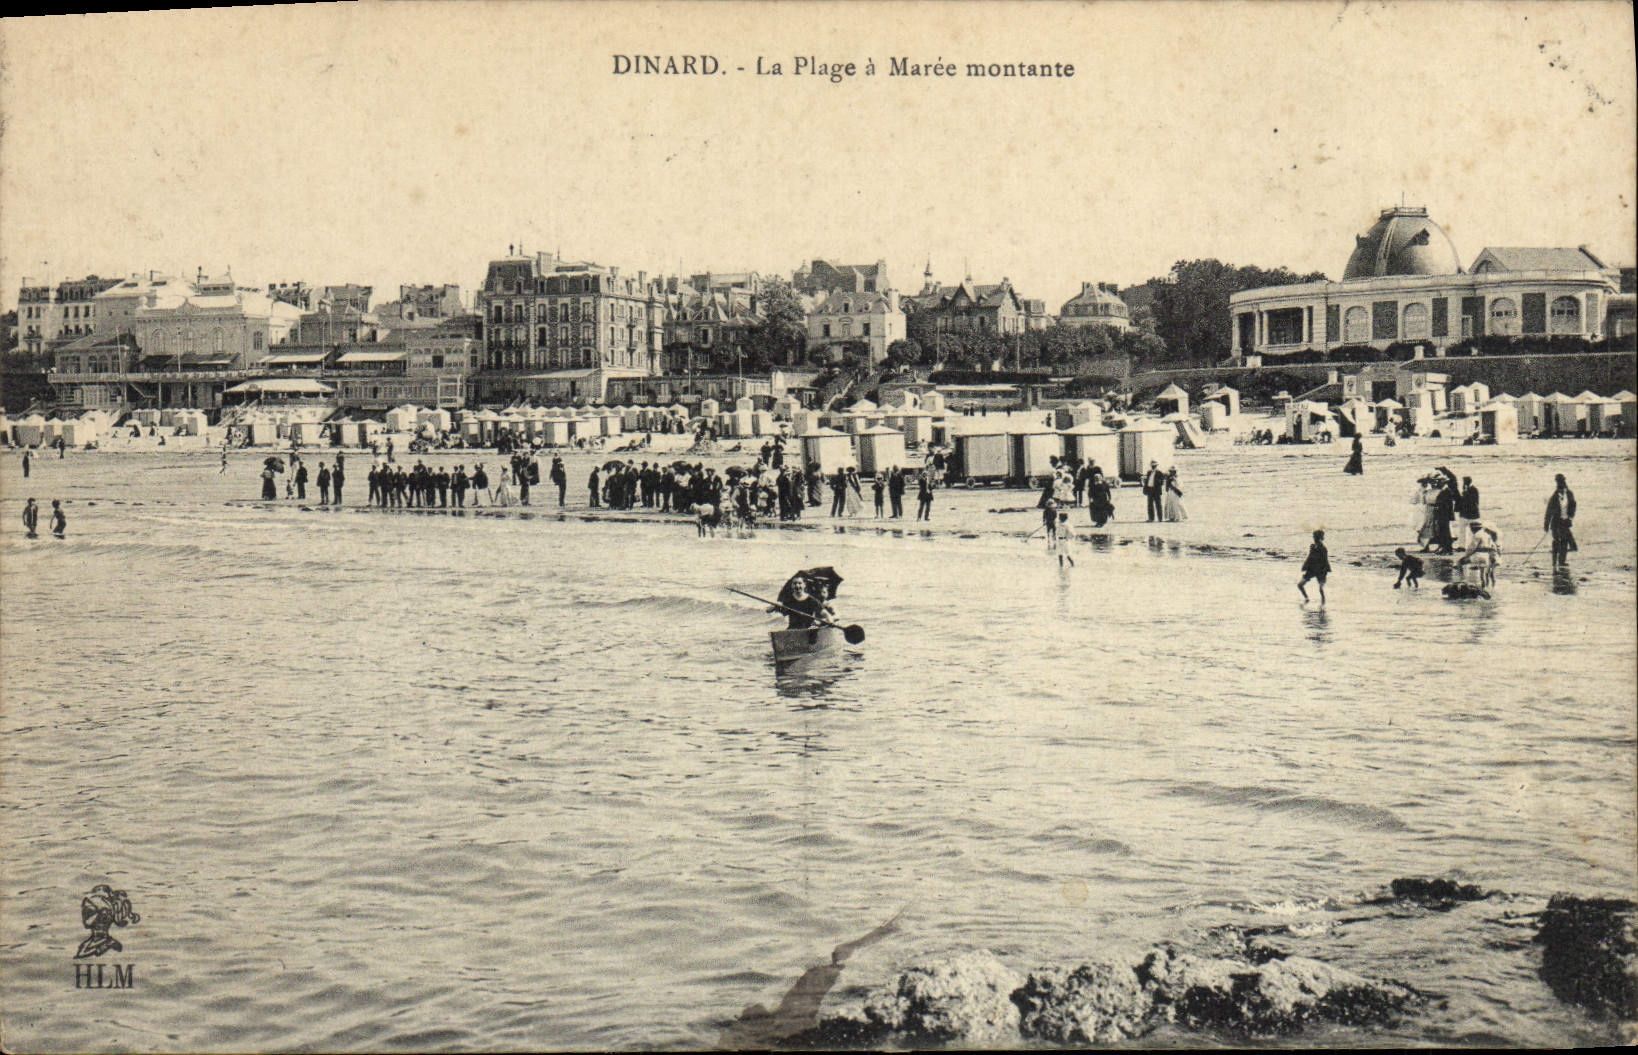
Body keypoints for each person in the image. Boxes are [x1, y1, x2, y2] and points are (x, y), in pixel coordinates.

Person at [1544, 474, 1577, 567]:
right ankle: (1554, 562)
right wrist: (1546, 524)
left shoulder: (1569, 494)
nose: (1560, 484)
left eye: (1562, 482)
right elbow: (1549, 511)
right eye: (1559, 482)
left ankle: (1561, 562)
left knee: (1564, 541)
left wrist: (1570, 517)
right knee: (1556, 541)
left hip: (1565, 522)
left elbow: (1573, 505)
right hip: (1556, 522)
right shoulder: (1554, 497)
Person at [1456, 521, 1500, 590]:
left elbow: (1472, 548)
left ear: (1473, 528)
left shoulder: (1477, 535)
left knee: (1459, 563)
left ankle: (1462, 580)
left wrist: (1465, 556)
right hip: (1487, 556)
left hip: (1479, 555)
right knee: (1483, 574)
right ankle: (1487, 587)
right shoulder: (1487, 534)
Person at [1297, 528, 1330, 605]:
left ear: (1317, 538)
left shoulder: (1323, 548)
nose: (1314, 538)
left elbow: (1325, 560)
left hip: (1320, 570)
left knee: (1320, 589)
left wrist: (1324, 570)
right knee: (1300, 585)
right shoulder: (1313, 547)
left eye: (1314, 537)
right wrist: (1305, 566)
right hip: (1312, 569)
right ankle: (1307, 599)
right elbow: (1310, 557)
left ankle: (1322, 603)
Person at [1456, 476, 1481, 549]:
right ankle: (1462, 546)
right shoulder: (1469, 489)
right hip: (1469, 514)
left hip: (1470, 514)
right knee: (1463, 531)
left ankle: (1469, 545)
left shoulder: (1473, 490)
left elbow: (1472, 501)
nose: (1464, 483)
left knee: (1471, 531)